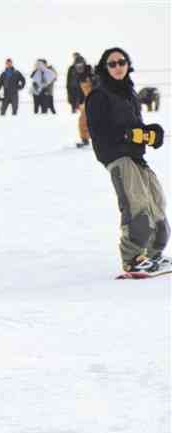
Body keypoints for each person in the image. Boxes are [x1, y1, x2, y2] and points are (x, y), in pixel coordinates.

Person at [85, 47, 169, 274]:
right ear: (105, 68)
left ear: (127, 65)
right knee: (136, 204)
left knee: (156, 201)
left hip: (136, 156)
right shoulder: (98, 95)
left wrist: (151, 132)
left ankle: (152, 254)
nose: (118, 67)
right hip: (117, 156)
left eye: (121, 62)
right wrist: (127, 135)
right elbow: (99, 130)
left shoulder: (129, 93)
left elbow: (135, 125)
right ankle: (132, 258)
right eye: (112, 64)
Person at [73, 55, 95, 148]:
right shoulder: (77, 76)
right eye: (77, 66)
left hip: (96, 99)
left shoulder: (91, 73)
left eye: (81, 65)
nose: (79, 68)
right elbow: (77, 90)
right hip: (87, 100)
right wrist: (76, 102)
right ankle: (85, 139)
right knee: (82, 120)